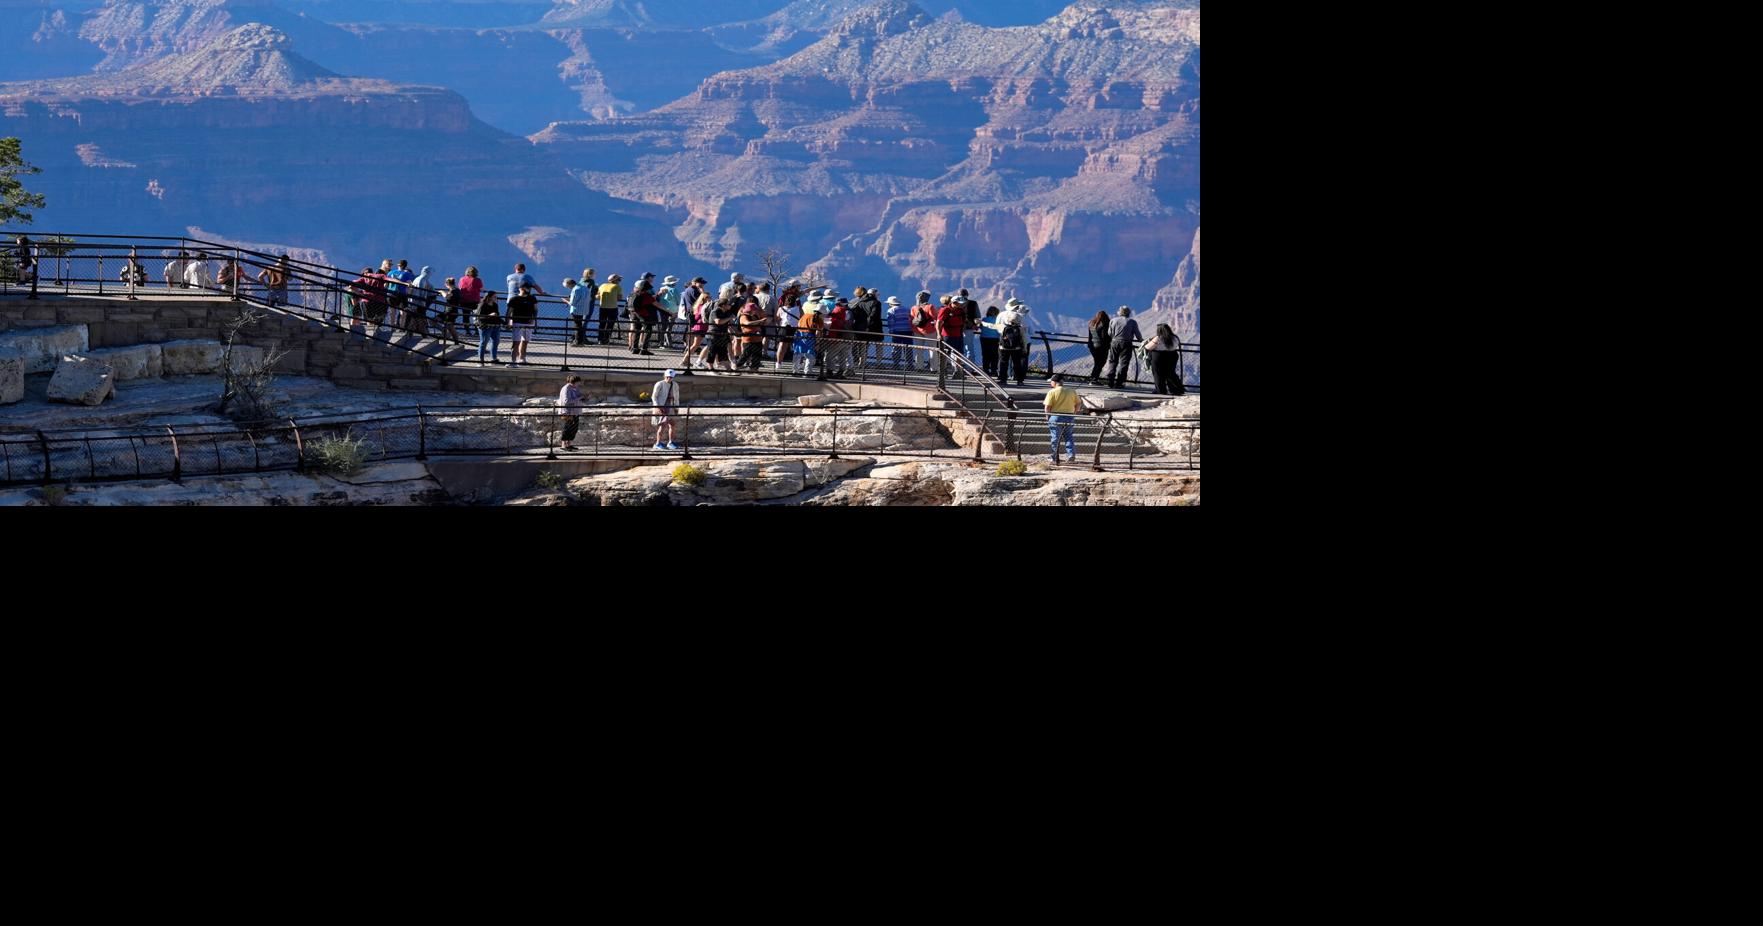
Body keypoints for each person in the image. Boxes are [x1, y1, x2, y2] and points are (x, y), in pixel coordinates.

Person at [988, 298, 1034, 386]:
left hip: (1004, 344)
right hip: (1016, 345)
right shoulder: (1018, 316)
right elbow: (1025, 329)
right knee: (1017, 362)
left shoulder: (1001, 315)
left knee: (1003, 361)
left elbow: (996, 327)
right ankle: (1019, 380)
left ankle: (1003, 379)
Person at [1043, 373, 1081, 464]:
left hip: (1056, 417)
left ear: (1054, 382)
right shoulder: (1072, 391)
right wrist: (1074, 412)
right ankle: (1071, 455)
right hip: (1069, 416)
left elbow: (1047, 407)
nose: (1050, 383)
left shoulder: (1052, 392)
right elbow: (1078, 403)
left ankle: (1054, 456)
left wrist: (1047, 417)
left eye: (1051, 381)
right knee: (1069, 436)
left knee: (1055, 437)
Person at [1104, 305, 1142, 389]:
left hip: (1114, 342)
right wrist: (1142, 341)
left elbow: (1109, 333)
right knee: (1124, 363)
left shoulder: (1113, 320)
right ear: (1129, 313)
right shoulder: (1132, 322)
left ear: (1120, 312)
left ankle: (1110, 379)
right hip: (1127, 344)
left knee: (1113, 361)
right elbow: (1138, 335)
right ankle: (1119, 383)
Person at [1145, 323, 1186, 396]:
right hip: (1172, 355)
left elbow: (1148, 347)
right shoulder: (1175, 337)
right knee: (1171, 373)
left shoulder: (1158, 338)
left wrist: (1149, 342)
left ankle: (1161, 390)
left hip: (1159, 357)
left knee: (1158, 373)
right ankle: (1177, 389)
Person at [507, 282, 539, 365]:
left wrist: (533, 319)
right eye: (527, 287)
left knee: (525, 341)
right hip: (517, 322)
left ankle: (522, 359)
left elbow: (535, 310)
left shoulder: (532, 298)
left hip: (528, 323)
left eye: (529, 288)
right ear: (521, 288)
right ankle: (513, 361)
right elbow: (509, 312)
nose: (529, 289)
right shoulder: (514, 299)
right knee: (516, 342)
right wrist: (508, 321)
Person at [651, 369, 681, 451]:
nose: (669, 379)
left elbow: (677, 397)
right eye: (668, 377)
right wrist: (657, 406)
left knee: (672, 424)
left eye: (671, 377)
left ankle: (670, 442)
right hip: (662, 407)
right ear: (665, 376)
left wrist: (676, 407)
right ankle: (657, 443)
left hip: (670, 406)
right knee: (662, 425)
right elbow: (654, 396)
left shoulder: (675, 385)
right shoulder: (660, 384)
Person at [628, 277, 660, 355]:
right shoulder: (645, 295)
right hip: (643, 315)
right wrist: (670, 312)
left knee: (637, 330)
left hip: (634, 314)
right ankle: (644, 349)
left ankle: (635, 348)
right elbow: (657, 304)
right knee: (648, 330)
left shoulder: (632, 294)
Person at [794, 298, 825, 378]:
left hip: (799, 335)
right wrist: (817, 343)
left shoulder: (805, 316)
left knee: (798, 353)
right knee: (810, 355)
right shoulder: (819, 320)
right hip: (810, 337)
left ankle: (795, 370)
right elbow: (818, 332)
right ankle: (807, 372)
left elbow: (798, 325)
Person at [737, 298, 769, 371]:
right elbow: (747, 323)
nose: (756, 310)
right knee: (745, 354)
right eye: (754, 309)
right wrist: (760, 321)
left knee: (757, 354)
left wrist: (763, 320)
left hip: (757, 338)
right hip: (748, 339)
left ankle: (754, 368)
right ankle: (737, 366)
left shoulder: (755, 315)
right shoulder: (744, 316)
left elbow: (761, 322)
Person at [935, 294, 965, 371]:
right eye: (958, 303)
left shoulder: (960, 310)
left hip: (959, 335)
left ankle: (957, 370)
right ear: (953, 302)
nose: (960, 304)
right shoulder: (945, 310)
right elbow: (938, 322)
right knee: (945, 353)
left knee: (959, 353)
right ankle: (942, 370)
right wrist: (939, 334)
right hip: (947, 335)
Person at [910, 291, 938, 370]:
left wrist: (914, 330)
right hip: (930, 331)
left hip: (917, 331)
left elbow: (912, 320)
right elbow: (935, 318)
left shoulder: (914, 308)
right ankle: (934, 369)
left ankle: (919, 367)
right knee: (932, 350)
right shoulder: (930, 306)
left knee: (918, 350)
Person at [883, 295, 913, 369]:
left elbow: (891, 322)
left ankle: (896, 364)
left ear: (891, 304)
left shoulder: (891, 310)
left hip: (897, 331)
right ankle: (909, 365)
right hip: (908, 331)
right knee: (908, 348)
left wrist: (890, 331)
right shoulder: (907, 309)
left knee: (896, 348)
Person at [557, 375, 584, 452]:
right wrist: (578, 398)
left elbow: (578, 396)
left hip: (575, 411)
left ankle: (569, 444)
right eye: (578, 382)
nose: (579, 384)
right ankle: (563, 444)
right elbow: (566, 401)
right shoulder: (566, 389)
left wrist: (582, 398)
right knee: (567, 428)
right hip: (567, 412)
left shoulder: (575, 388)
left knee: (574, 428)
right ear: (573, 382)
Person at [475, 290, 503, 364]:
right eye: (494, 296)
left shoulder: (495, 305)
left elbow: (497, 315)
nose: (496, 298)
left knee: (496, 342)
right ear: (489, 297)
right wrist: (489, 315)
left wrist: (504, 322)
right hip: (485, 326)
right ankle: (480, 360)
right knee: (484, 342)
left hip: (495, 326)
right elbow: (479, 317)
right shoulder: (482, 304)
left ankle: (494, 358)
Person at [1085, 310, 1112, 384]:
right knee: (1101, 362)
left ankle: (1093, 378)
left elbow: (1090, 336)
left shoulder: (1091, 323)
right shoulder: (1105, 324)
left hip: (1092, 346)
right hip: (1102, 347)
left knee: (1097, 362)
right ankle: (1094, 379)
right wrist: (1110, 342)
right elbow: (1104, 337)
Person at [596, 273, 623, 345]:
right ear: (615, 280)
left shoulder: (602, 285)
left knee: (601, 324)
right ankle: (606, 339)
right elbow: (619, 298)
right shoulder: (617, 287)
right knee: (610, 324)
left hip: (602, 307)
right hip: (613, 308)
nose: (619, 281)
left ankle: (600, 339)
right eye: (618, 279)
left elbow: (597, 296)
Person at [563, 277, 591, 346]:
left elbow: (572, 303)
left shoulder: (576, 289)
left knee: (577, 326)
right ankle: (580, 341)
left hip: (576, 310)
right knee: (580, 325)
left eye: (567, 286)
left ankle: (578, 341)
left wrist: (565, 301)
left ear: (569, 284)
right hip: (584, 309)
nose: (568, 288)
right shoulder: (585, 288)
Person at [457, 266, 484, 336]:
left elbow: (460, 288)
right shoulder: (477, 280)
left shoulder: (462, 279)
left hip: (464, 300)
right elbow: (481, 289)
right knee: (476, 316)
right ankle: (477, 331)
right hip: (475, 300)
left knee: (466, 316)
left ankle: (467, 332)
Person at [657, 275, 682, 349]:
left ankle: (661, 343)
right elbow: (678, 301)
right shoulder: (674, 290)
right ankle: (669, 343)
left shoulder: (661, 289)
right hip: (673, 310)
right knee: (670, 327)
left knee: (663, 326)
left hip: (663, 309)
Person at [958, 288, 982, 363]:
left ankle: (958, 366)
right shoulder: (973, 303)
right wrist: (976, 325)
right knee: (969, 348)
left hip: (956, 328)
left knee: (957, 347)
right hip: (969, 328)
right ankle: (969, 367)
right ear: (967, 295)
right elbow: (978, 316)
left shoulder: (955, 303)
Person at [410, 265, 434, 335]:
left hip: (416, 302)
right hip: (419, 302)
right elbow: (421, 292)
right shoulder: (422, 280)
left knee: (417, 317)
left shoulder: (420, 279)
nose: (430, 274)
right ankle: (424, 333)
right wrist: (423, 303)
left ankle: (421, 331)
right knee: (420, 318)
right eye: (430, 272)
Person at [979, 305, 1001, 377]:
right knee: (994, 355)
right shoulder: (997, 320)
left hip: (984, 338)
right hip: (994, 339)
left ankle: (985, 370)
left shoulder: (984, 319)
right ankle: (994, 371)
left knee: (985, 355)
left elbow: (981, 327)